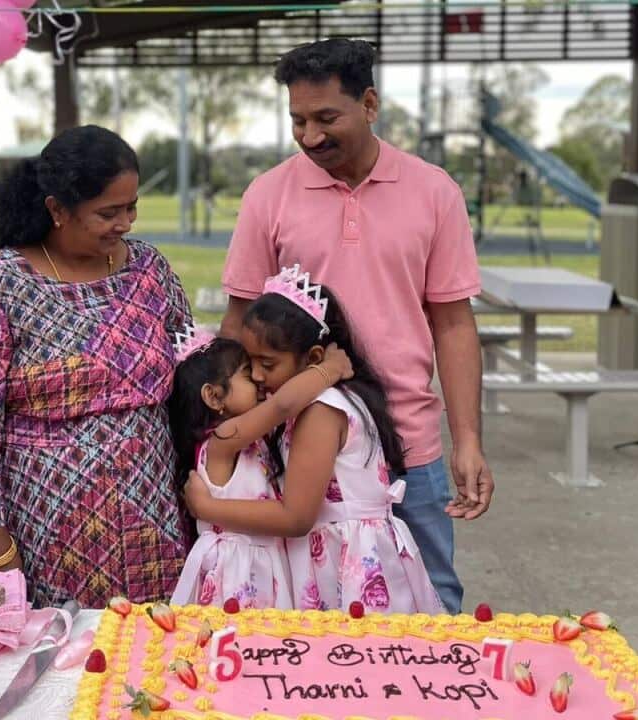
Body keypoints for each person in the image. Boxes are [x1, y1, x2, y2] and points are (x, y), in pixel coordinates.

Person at [219, 39, 492, 613]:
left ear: (369, 103)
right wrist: (228, 426)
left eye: (326, 118)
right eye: (297, 120)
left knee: (431, 606)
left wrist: (467, 441)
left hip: (408, 446)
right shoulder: (268, 195)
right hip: (301, 448)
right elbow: (240, 321)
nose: (310, 135)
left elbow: (453, 325)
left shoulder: (434, 191)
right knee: (309, 609)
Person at [0, 125, 190, 608]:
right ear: (57, 209)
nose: (126, 223)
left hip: (156, 518)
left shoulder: (148, 271)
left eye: (131, 207)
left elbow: (194, 367)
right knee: (66, 666)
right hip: (48, 529)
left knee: (152, 654)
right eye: (107, 212)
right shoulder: (0, 284)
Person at [186, 270, 445, 614]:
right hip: (343, 555)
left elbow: (296, 517)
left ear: (312, 358)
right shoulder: (316, 405)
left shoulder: (320, 412)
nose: (259, 376)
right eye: (250, 365)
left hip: (347, 567)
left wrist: (206, 509)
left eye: (267, 363)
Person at [166, 322, 354, 610]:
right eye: (246, 376)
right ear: (214, 396)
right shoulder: (222, 440)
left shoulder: (253, 440)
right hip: (236, 572)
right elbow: (282, 406)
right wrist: (330, 370)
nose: (257, 378)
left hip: (266, 564)